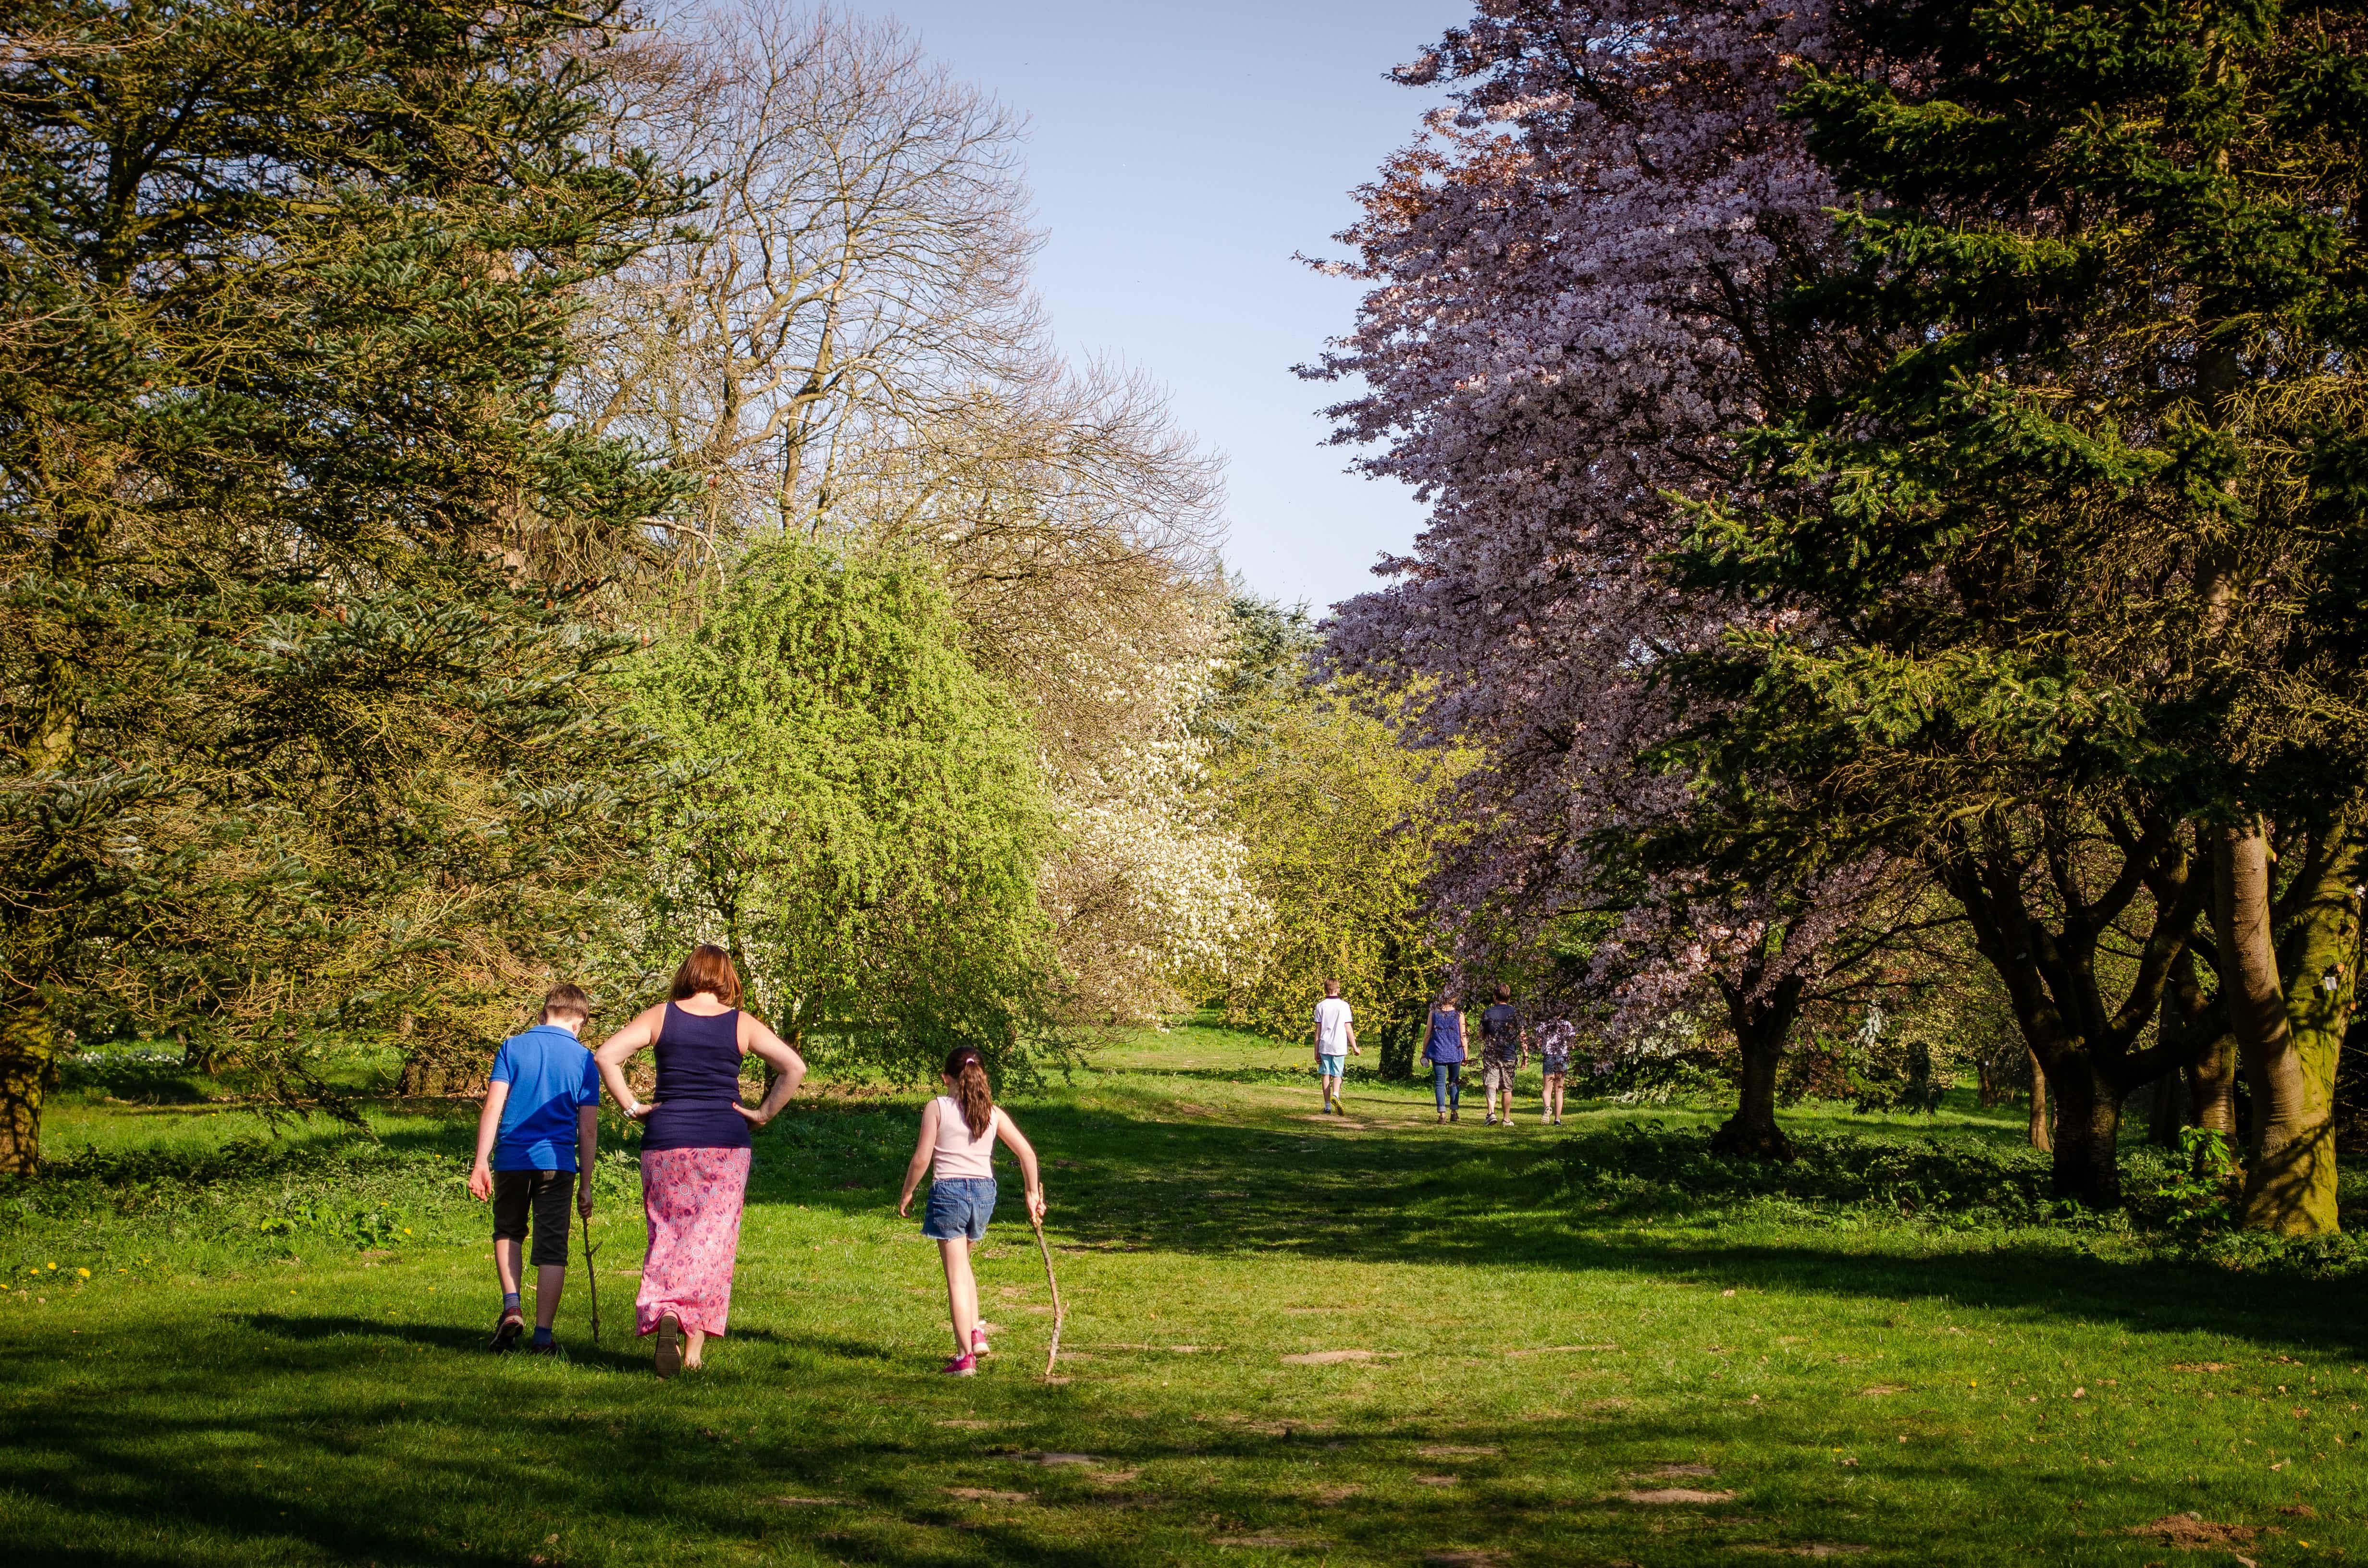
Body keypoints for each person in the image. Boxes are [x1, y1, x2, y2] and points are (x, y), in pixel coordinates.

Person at [595, 944, 805, 1378]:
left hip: (666, 1140)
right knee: (713, 1242)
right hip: (724, 1143)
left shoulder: (661, 1016)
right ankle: (692, 1350)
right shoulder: (741, 1024)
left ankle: (667, 1309)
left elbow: (606, 1055)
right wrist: (764, 1114)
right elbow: (794, 1067)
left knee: (667, 1232)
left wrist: (632, 1106)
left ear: (688, 973)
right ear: (727, 978)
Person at [897, 1046, 1047, 1376]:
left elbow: (922, 1158)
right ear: (983, 1076)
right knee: (964, 1265)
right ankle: (976, 1334)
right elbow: (1028, 1155)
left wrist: (908, 1192)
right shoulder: (993, 1113)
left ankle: (965, 1357)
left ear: (945, 1078)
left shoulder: (937, 1107)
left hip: (949, 1193)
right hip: (983, 1194)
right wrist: (1032, 1194)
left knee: (955, 1278)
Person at [469, 983, 602, 1354]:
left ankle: (512, 1305)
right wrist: (586, 1184)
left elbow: (493, 1108)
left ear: (544, 1014)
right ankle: (543, 1336)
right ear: (579, 1023)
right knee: (552, 1248)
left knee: (509, 1230)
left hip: (512, 1158)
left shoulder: (513, 1047)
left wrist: (482, 1161)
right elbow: (587, 1127)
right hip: (557, 1164)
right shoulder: (584, 1060)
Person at [1478, 983, 1527, 1127]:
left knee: (1491, 1084)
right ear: (1509, 996)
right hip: (1509, 1054)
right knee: (1507, 1087)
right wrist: (1526, 1055)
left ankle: (1491, 1112)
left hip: (1491, 1054)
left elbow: (1481, 1035)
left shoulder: (1487, 1013)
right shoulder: (1516, 1013)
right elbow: (1523, 1036)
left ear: (1495, 996)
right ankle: (1506, 1119)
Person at [1313, 979, 1359, 1115]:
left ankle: (1327, 1106)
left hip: (1325, 1044)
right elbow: (1348, 1028)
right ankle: (1336, 1095)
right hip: (1339, 1045)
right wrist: (1355, 1047)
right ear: (1338, 989)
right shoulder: (1344, 1006)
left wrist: (1316, 1051)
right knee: (1338, 1074)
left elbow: (1318, 1030)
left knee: (1325, 1073)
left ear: (1325, 990)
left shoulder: (1320, 1006)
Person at [1423, 994, 1468, 1124]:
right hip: (1455, 1053)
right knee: (1454, 1082)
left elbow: (1427, 1034)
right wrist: (1466, 1054)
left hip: (1438, 1052)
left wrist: (1424, 1052)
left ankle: (1442, 1114)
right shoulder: (1460, 1014)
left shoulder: (1434, 1013)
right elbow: (1463, 1036)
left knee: (1440, 1083)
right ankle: (1454, 1112)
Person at [1537, 1015, 1574, 1126]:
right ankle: (1557, 1120)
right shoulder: (1567, 1025)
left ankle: (1547, 1108)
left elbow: (1539, 1043)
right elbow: (1572, 1044)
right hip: (1562, 1057)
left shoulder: (1543, 1025)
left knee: (1547, 1088)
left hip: (1548, 1057)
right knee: (1559, 1089)